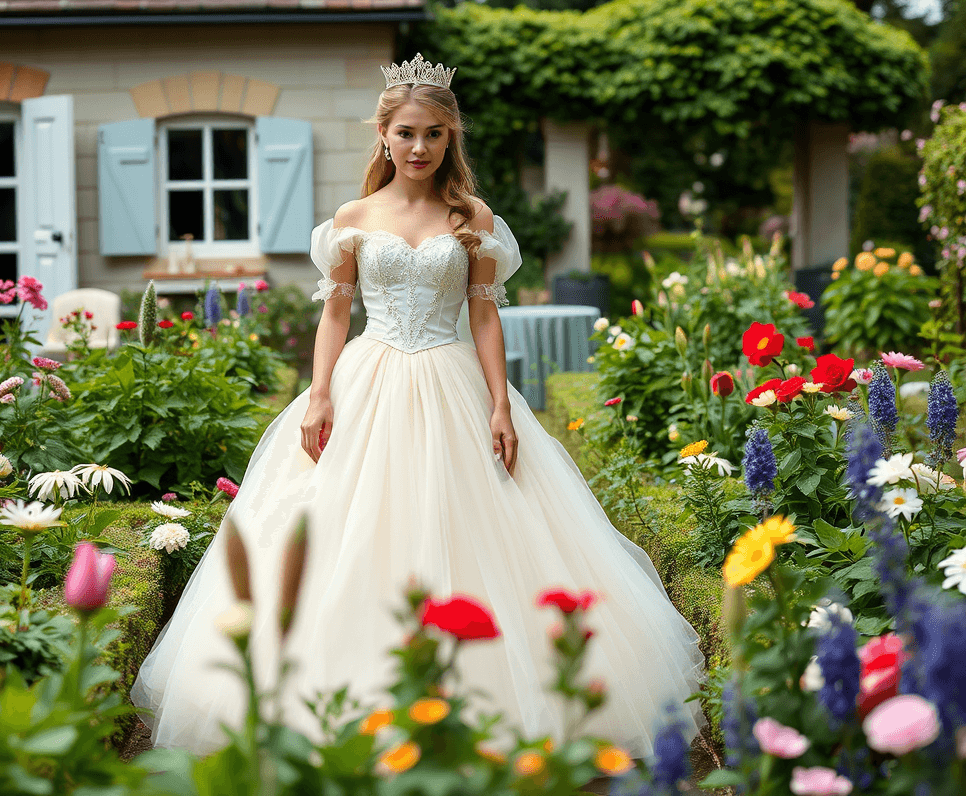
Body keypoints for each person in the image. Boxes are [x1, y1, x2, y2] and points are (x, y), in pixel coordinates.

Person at [130, 53, 704, 757]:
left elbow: (485, 316)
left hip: (451, 379)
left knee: (471, 527)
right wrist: (317, 397)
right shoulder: (353, 217)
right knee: (346, 529)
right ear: (383, 135)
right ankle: (341, 711)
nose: (420, 147)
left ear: (450, 138)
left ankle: (479, 708)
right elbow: (336, 315)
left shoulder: (472, 217)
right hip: (367, 379)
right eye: (406, 133)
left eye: (434, 134)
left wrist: (499, 404)